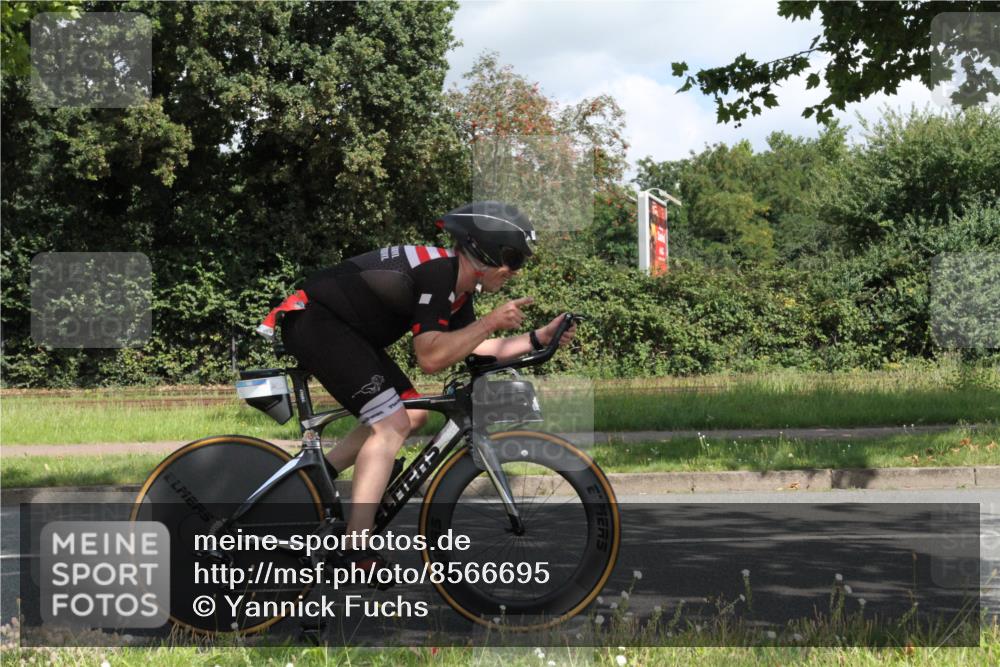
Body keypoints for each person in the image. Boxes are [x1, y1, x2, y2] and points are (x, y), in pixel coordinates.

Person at [270, 201, 576, 576]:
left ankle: (310, 483)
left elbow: (472, 348)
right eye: (512, 258)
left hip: (345, 332)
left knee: (412, 415)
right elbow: (430, 357)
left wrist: (538, 337)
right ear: (484, 251)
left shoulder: (458, 289)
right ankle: (354, 549)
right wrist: (490, 322)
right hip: (317, 322)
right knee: (391, 425)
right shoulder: (439, 272)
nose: (515, 270)